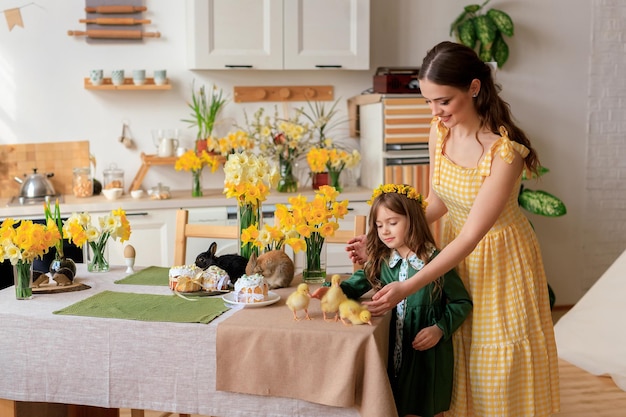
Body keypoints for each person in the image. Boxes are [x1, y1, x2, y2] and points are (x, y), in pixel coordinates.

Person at [347, 41, 560, 416]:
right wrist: (382, 241)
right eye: (428, 101)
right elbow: (435, 203)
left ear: (474, 88)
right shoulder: (439, 133)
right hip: (452, 255)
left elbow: (472, 235)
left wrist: (409, 284)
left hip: (501, 261)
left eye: (443, 101)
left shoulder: (504, 153)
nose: (435, 111)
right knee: (460, 354)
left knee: (496, 364)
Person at [314, 183, 472, 417]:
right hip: (390, 352)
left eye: (393, 223)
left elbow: (462, 303)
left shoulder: (437, 262)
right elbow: (355, 284)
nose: (384, 231)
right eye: (379, 225)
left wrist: (439, 329)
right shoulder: (382, 261)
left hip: (424, 357)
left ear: (414, 220)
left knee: (420, 409)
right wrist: (332, 291)